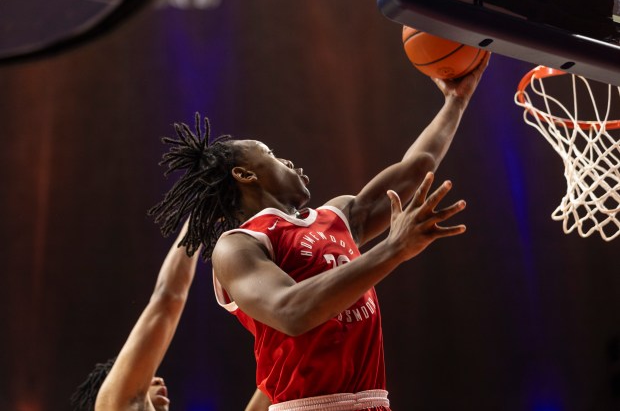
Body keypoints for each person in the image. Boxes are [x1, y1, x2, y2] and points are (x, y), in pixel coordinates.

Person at [148, 53, 490, 411]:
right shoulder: (238, 246)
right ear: (245, 175)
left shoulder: (337, 216)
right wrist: (393, 249)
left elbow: (416, 168)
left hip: (374, 401)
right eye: (271, 154)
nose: (288, 160)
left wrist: (456, 101)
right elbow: (290, 311)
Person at [70, 222, 271, 411]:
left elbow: (270, 388)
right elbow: (168, 298)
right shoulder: (112, 404)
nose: (157, 380)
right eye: (145, 377)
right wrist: (199, 218)